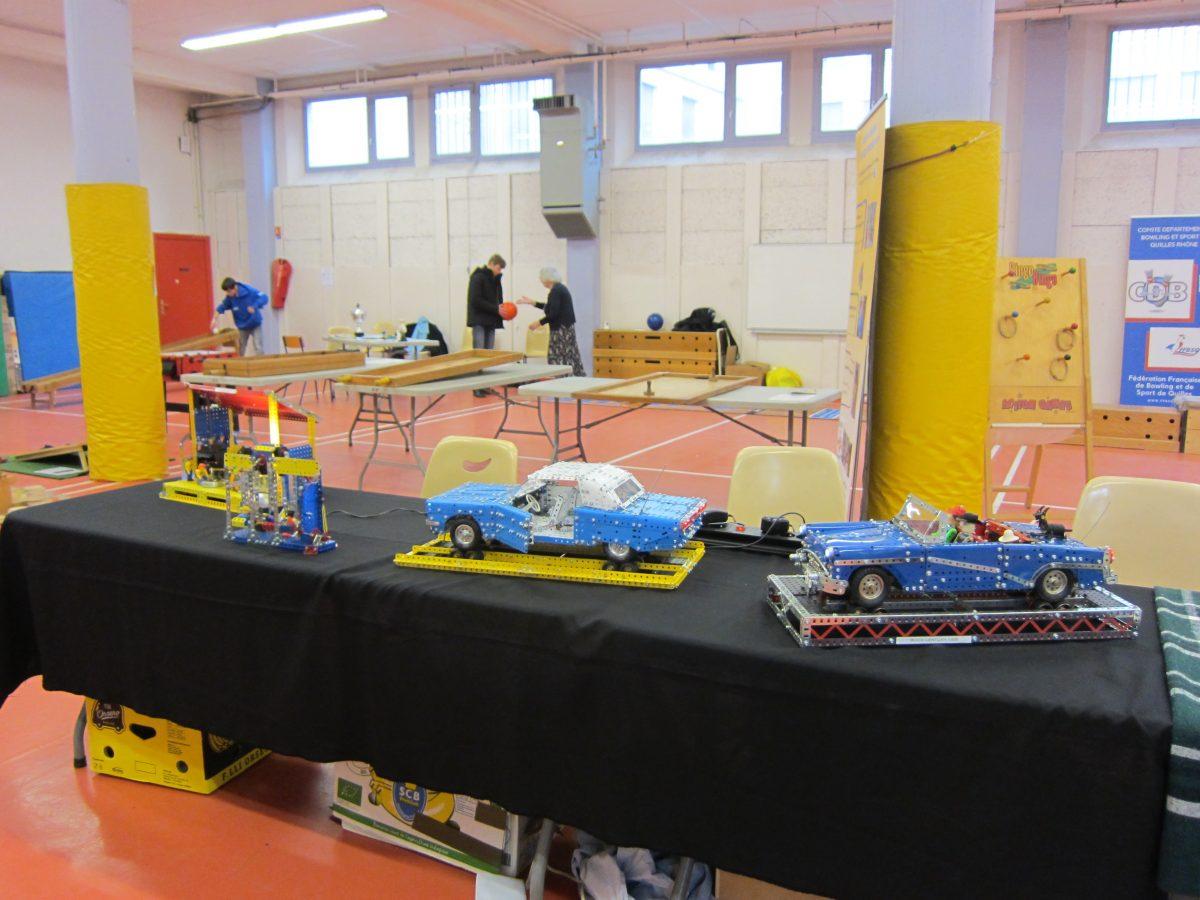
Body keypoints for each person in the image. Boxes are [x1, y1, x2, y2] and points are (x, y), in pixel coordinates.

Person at [518, 267, 586, 377]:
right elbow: (551, 308)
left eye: (541, 278)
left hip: (561, 330)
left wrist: (538, 323)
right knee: (570, 355)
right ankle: (575, 378)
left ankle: (562, 381)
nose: (541, 280)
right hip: (566, 328)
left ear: (547, 279)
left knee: (558, 357)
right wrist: (533, 303)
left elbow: (553, 314)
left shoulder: (556, 291)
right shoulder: (560, 289)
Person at [466, 254, 506, 396]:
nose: (499, 271)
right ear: (491, 264)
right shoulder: (478, 277)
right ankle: (476, 387)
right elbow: (475, 300)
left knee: (488, 355)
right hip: (479, 320)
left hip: (491, 321)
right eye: (498, 268)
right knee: (479, 354)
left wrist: (503, 311)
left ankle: (485, 385)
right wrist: (496, 309)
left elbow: (499, 300)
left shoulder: (496, 280)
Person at [212, 276, 269, 356]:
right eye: (226, 292)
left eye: (229, 291)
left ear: (235, 287)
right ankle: (240, 363)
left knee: (258, 346)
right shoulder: (230, 297)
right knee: (241, 348)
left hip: (255, 324)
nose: (227, 294)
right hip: (242, 326)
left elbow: (264, 297)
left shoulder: (249, 291)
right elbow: (222, 307)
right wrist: (214, 319)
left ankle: (261, 363)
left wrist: (254, 306)